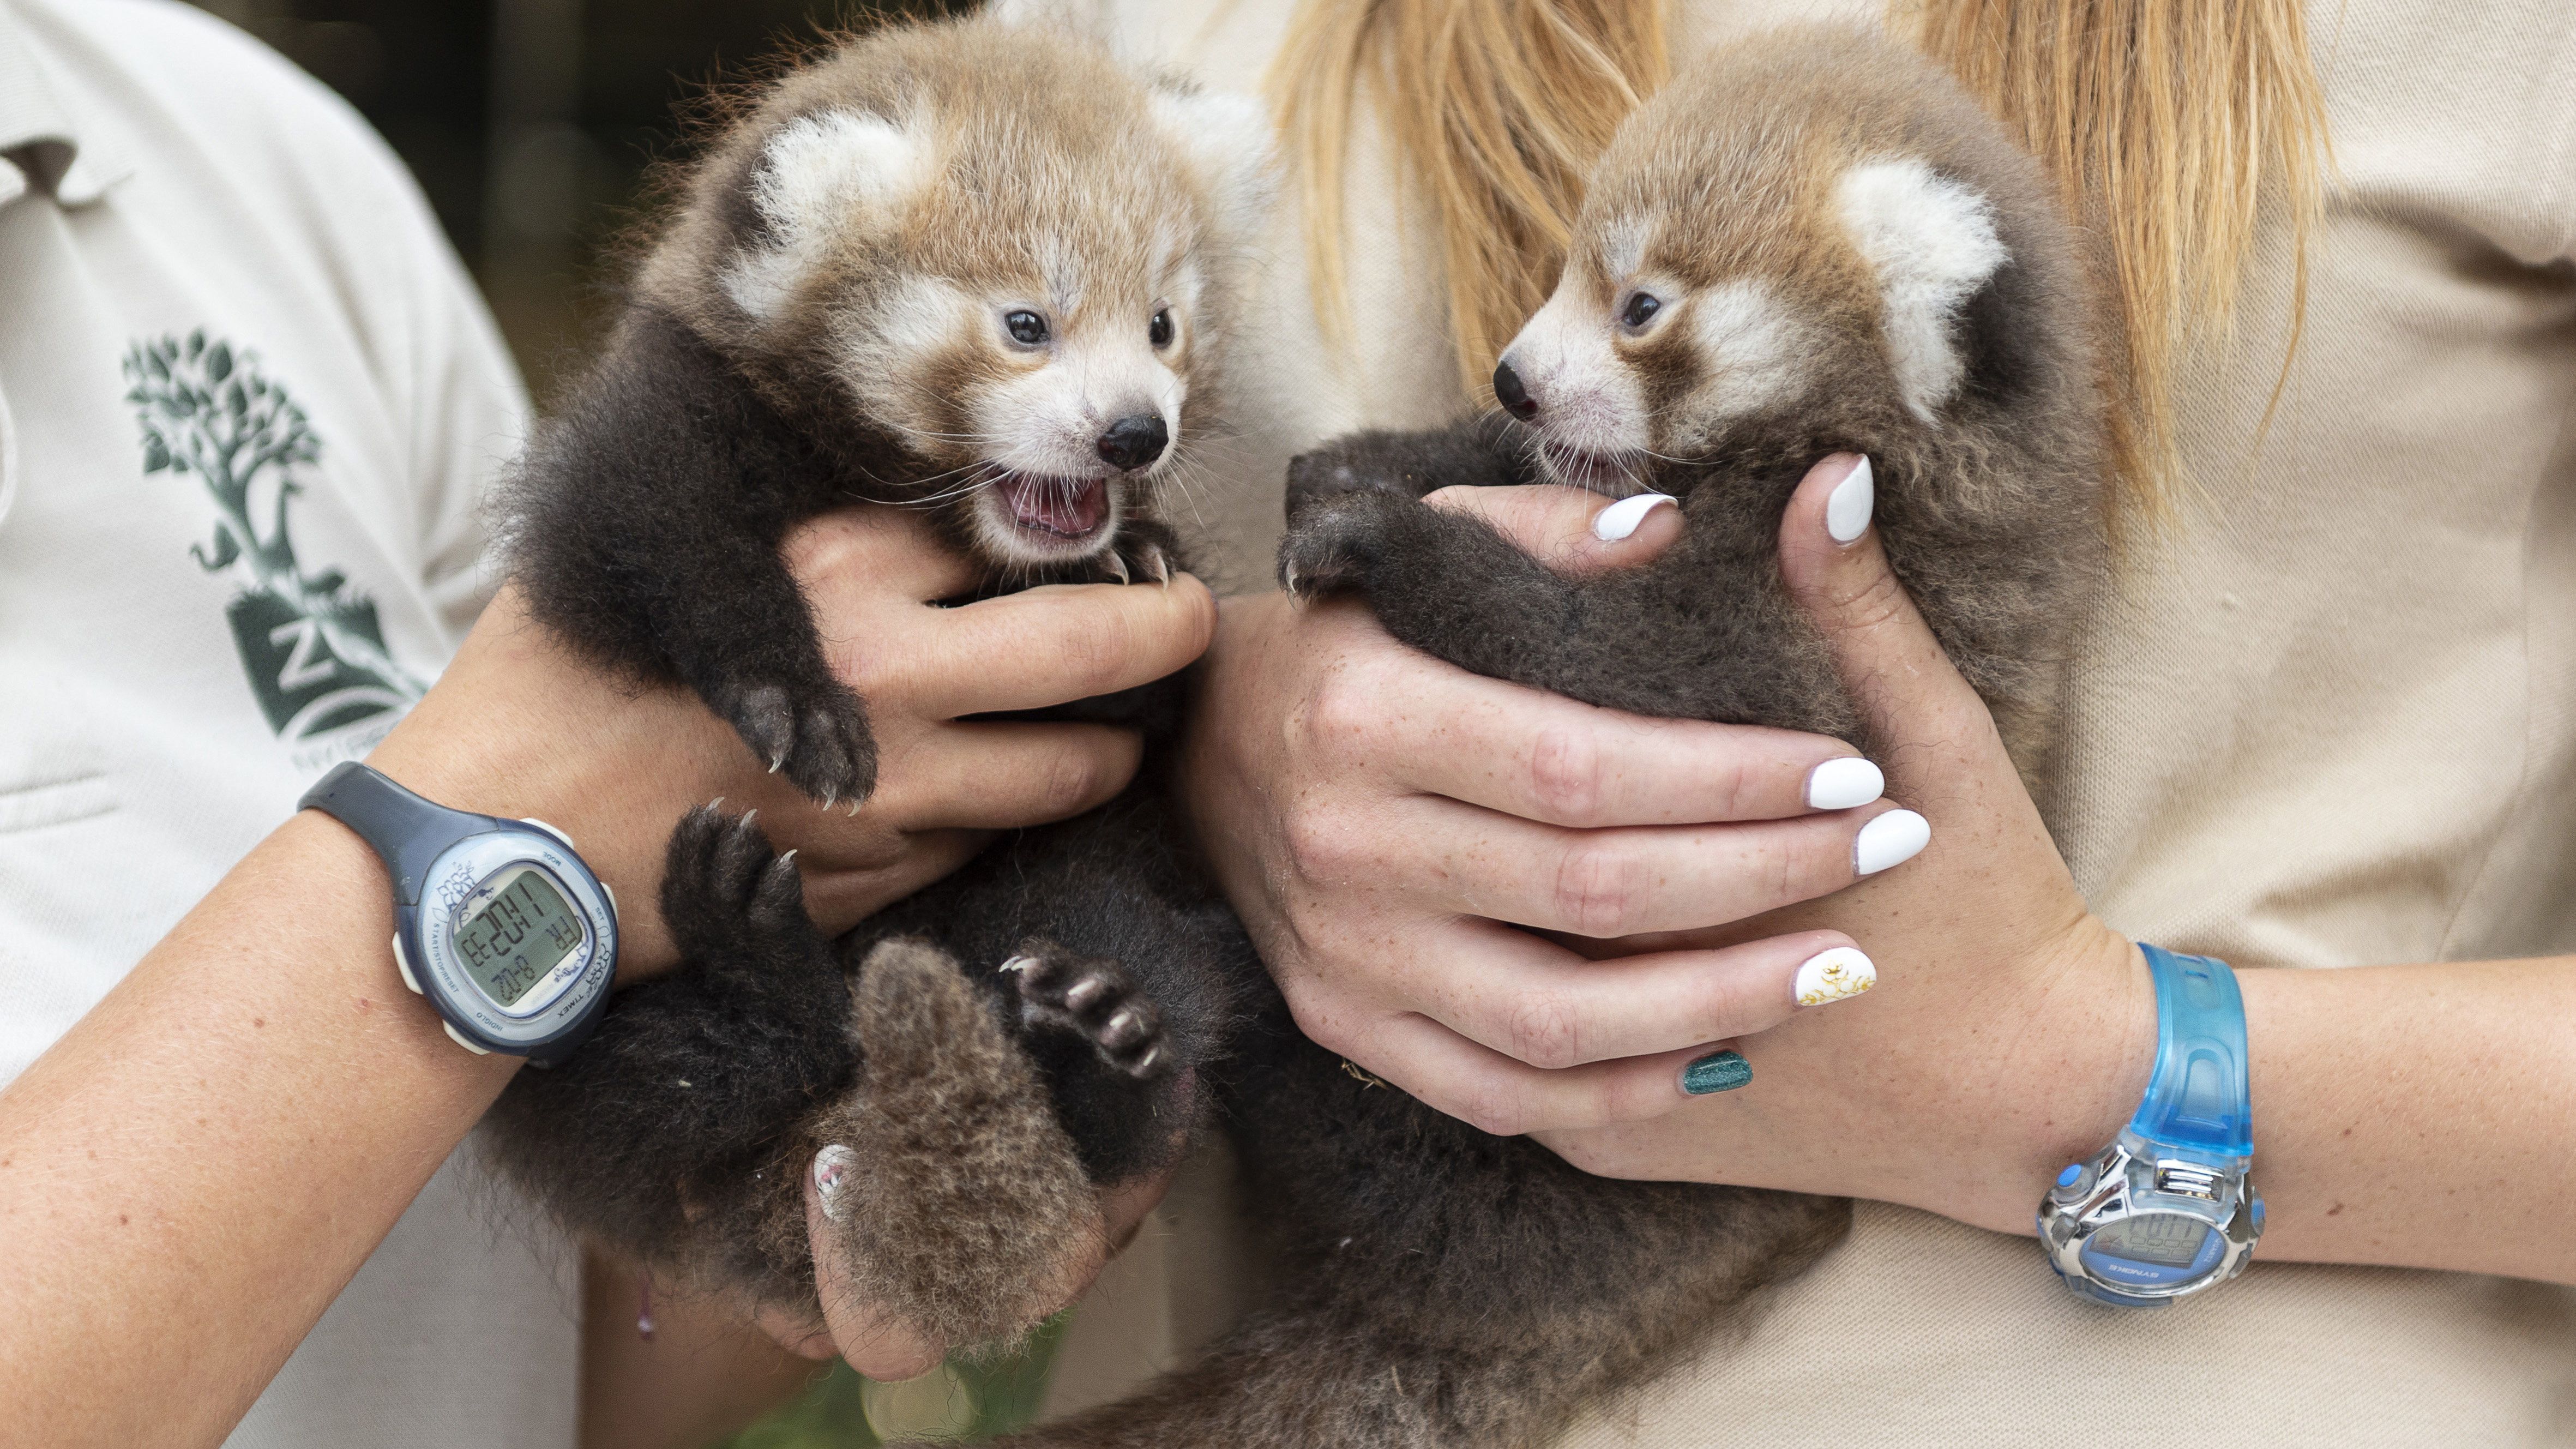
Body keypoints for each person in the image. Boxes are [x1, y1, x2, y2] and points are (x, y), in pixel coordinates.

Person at [1032, 0, 2576, 1442]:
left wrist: (2094, 1065)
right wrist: (1185, 723)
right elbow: (809, 1238)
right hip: (1310, 1302)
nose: (1531, 360)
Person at [0, 1, 1207, 1445]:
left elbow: (598, 1328)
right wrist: (505, 856)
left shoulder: (246, 162)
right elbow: (589, 696)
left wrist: (883, 1204)